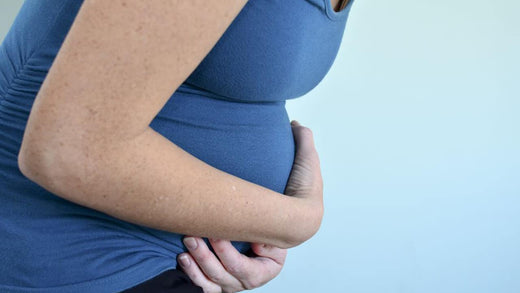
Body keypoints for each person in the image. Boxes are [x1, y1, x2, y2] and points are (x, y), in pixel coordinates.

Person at [0, 0, 354, 292]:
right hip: (72, 257)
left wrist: (257, 232)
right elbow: (69, 151)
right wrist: (292, 223)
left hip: (171, 261)